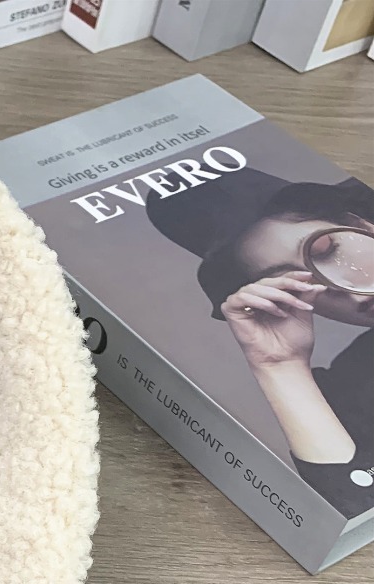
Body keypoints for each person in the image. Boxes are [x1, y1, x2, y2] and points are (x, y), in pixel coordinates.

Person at [147, 168, 373, 519]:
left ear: (362, 225)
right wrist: (281, 367)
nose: (346, 291)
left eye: (327, 251)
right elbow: (359, 506)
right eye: (296, 284)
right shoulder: (353, 388)